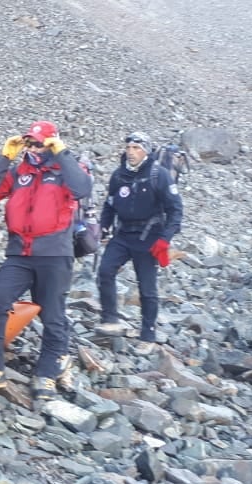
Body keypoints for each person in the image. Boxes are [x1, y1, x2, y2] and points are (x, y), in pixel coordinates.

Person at [0, 120, 93, 400]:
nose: (34, 148)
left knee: (52, 314)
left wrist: (62, 153)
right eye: (30, 142)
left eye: (40, 142)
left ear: (52, 143)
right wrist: (5, 157)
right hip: (19, 253)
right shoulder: (20, 172)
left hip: (54, 253)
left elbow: (82, 188)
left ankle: (48, 372)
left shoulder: (65, 169)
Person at [94, 131, 184, 354]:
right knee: (105, 271)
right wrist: (104, 227)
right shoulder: (119, 175)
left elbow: (176, 210)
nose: (131, 152)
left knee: (147, 288)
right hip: (123, 234)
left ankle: (148, 334)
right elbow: (109, 204)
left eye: (136, 148)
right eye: (128, 148)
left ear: (146, 151)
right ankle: (110, 319)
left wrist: (165, 240)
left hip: (149, 237)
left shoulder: (158, 175)